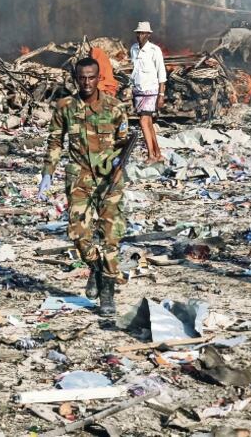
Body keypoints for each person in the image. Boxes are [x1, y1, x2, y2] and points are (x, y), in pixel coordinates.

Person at [39, 58, 129, 316]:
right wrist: (48, 172)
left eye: (91, 77)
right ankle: (96, 267)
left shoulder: (114, 107)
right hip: (79, 178)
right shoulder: (65, 107)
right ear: (75, 79)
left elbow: (124, 142)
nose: (87, 83)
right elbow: (55, 142)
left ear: (98, 78)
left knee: (111, 235)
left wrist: (116, 159)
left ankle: (108, 291)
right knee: (79, 234)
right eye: (82, 78)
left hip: (109, 179)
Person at [129, 22, 166, 163]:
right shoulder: (133, 49)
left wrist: (161, 95)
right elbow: (134, 71)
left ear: (148, 34)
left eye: (143, 33)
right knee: (148, 122)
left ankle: (150, 155)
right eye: (138, 33)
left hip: (151, 91)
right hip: (138, 91)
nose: (140, 36)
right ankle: (158, 154)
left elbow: (161, 73)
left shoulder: (154, 50)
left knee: (143, 121)